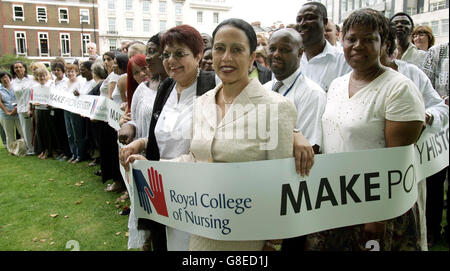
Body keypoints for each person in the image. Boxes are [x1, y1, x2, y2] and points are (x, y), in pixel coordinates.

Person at [306, 8, 425, 251]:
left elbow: (397, 162)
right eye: (351, 39)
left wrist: (378, 216)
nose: (358, 45)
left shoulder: (399, 89)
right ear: (342, 41)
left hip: (378, 208)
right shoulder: (338, 84)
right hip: (336, 200)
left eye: (369, 39)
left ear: (385, 45)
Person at [119, 24, 217, 251]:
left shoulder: (213, 86)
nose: (171, 60)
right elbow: (165, 132)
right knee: (167, 241)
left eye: (179, 53)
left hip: (199, 195)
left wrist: (294, 132)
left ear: (198, 55)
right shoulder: (167, 87)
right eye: (166, 55)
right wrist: (140, 143)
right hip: (163, 189)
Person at [380, 19, 449, 250]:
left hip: (407, 170)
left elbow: (440, 107)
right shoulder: (345, 79)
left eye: (371, 39)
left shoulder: (411, 73)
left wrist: (426, 117)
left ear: (386, 44)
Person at [264, 27, 326, 251]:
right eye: (272, 48)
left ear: (300, 53)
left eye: (285, 49)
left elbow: (307, 154)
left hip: (290, 196)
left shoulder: (312, 94)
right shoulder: (262, 90)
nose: (276, 54)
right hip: (260, 189)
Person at [422, 41, 449, 247]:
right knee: (436, 180)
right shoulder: (438, 51)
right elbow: (429, 91)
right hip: (440, 131)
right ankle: (432, 229)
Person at [296, 1, 351, 92]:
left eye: (309, 18)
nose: (302, 23)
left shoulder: (344, 61)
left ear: (324, 22)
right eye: (299, 19)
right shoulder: (290, 59)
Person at [29, 67, 58, 160]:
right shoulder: (34, 87)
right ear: (36, 77)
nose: (42, 78)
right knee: (40, 131)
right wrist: (34, 103)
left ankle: (52, 150)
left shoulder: (51, 86)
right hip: (39, 110)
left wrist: (50, 104)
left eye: (44, 75)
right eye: (39, 76)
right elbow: (31, 99)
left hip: (49, 111)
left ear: (47, 76)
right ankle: (44, 149)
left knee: (50, 130)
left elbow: (55, 98)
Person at [10, 61, 34, 155]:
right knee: (25, 129)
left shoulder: (31, 79)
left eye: (20, 67)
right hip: (21, 108)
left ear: (24, 68)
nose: (18, 69)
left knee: (34, 128)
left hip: (32, 108)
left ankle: (39, 147)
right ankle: (30, 149)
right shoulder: (13, 82)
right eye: (16, 67)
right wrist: (15, 106)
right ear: (13, 70)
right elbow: (13, 97)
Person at [50, 60, 70, 160]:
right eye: (55, 70)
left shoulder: (66, 82)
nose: (56, 72)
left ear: (63, 71)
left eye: (58, 70)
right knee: (57, 132)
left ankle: (67, 152)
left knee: (64, 132)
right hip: (53, 110)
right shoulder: (52, 82)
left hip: (62, 110)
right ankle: (61, 151)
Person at [0, 71, 22, 154]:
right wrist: (7, 112)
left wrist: (15, 109)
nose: (5, 79)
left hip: (17, 112)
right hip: (5, 114)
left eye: (6, 77)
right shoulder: (0, 88)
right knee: (9, 134)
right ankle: (11, 150)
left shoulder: (15, 86)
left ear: (9, 77)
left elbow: (20, 98)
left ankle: (23, 148)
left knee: (21, 131)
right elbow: (0, 102)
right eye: (2, 78)